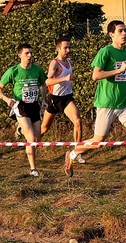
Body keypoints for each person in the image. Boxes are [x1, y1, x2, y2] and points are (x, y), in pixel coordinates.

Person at [64, 20, 126, 184]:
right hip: (106, 103)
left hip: (124, 103)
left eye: (125, 30)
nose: (124, 34)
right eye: (120, 31)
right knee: (98, 141)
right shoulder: (105, 51)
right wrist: (119, 70)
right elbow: (95, 75)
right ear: (111, 34)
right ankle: (72, 154)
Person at [0, 43, 47, 177]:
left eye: (31, 53)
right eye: (26, 53)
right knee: (31, 137)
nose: (29, 56)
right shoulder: (13, 71)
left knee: (37, 139)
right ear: (20, 55)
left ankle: (20, 128)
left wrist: (44, 100)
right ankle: (33, 168)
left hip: (34, 105)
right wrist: (7, 100)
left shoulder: (38, 69)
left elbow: (44, 84)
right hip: (21, 105)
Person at [41, 36, 85, 164]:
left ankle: (77, 152)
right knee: (44, 128)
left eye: (69, 47)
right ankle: (30, 146)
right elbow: (47, 81)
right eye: (65, 48)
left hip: (67, 98)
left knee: (77, 121)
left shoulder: (69, 62)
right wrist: (64, 79)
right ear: (58, 48)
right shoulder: (55, 63)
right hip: (55, 99)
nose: (68, 50)